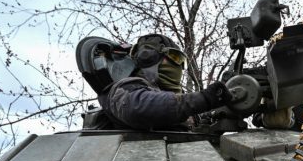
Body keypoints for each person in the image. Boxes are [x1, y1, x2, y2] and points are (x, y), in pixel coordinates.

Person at [98, 34, 232, 130]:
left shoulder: (180, 107)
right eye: (175, 57)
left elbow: (193, 121)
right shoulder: (125, 89)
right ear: (148, 57)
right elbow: (140, 108)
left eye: (181, 61)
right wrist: (204, 99)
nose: (178, 65)